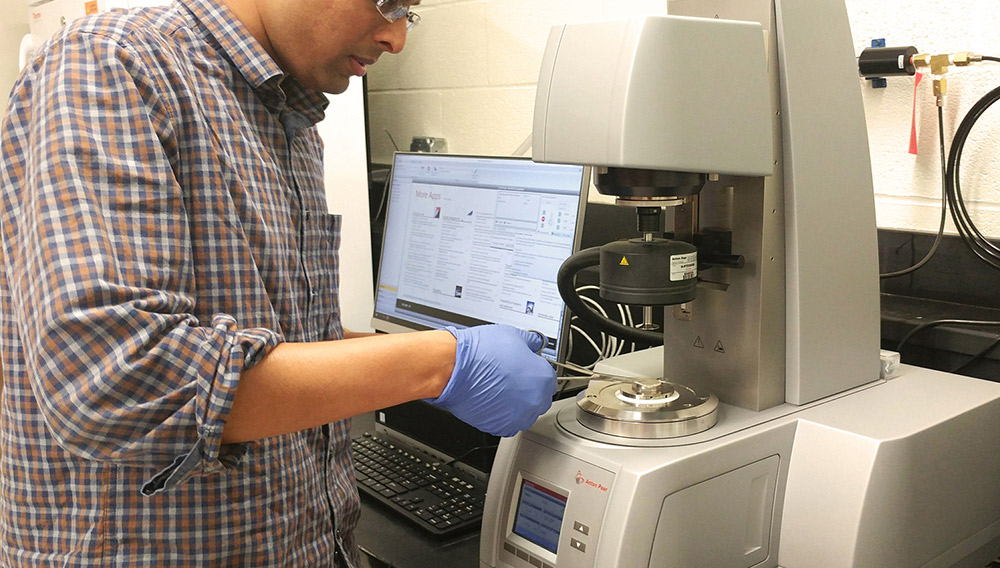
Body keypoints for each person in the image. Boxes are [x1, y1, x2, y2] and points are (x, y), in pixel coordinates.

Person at [0, 0, 557, 565]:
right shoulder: (114, 64)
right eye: (387, 1)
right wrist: (440, 362)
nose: (396, 39)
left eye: (408, 13)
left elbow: (288, 339)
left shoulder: (289, 119)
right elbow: (111, 378)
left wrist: (424, 371)